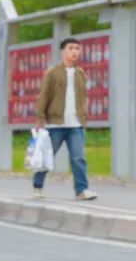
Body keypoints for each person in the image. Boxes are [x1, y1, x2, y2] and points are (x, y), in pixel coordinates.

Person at [32, 38, 98, 201]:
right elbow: (43, 96)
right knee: (46, 156)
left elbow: (83, 98)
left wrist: (84, 116)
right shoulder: (53, 73)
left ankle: (81, 190)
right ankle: (38, 186)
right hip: (55, 124)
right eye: (71, 48)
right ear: (63, 52)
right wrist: (40, 118)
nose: (75, 51)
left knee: (78, 158)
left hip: (75, 124)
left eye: (77, 48)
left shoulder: (80, 74)